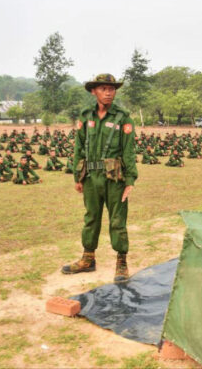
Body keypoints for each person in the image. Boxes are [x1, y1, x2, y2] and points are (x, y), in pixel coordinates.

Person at [62, 74, 138, 283]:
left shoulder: (123, 118)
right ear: (94, 91)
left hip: (115, 179)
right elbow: (79, 147)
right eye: (103, 89)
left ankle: (121, 262)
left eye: (111, 89)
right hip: (91, 178)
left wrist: (130, 180)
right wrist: (78, 176)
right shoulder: (86, 117)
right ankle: (88, 259)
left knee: (117, 220)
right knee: (91, 218)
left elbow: (129, 151)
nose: (108, 92)